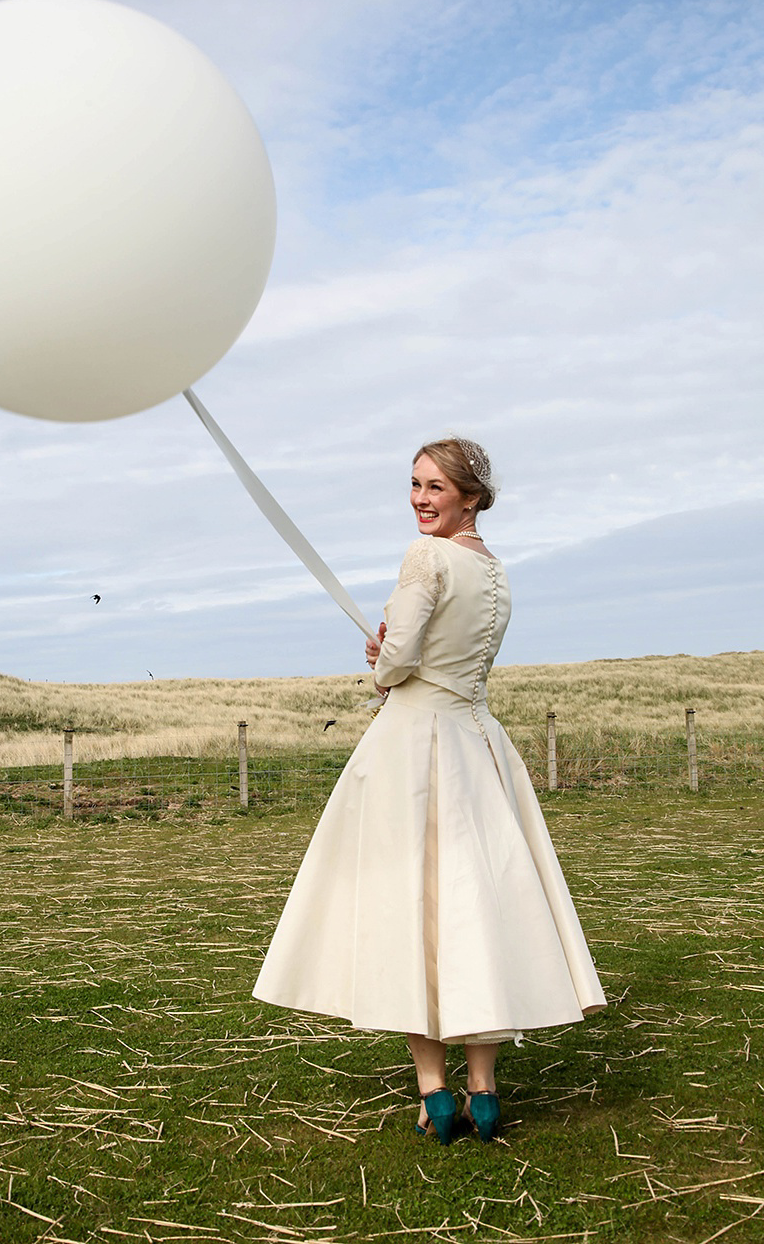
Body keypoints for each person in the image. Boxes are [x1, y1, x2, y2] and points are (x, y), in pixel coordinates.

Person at [253, 437, 605, 1144]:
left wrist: (380, 662)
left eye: (436, 488)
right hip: (477, 745)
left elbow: (400, 660)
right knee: (477, 907)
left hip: (414, 747)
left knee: (410, 911)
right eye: (414, 484)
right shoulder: (495, 572)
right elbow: (448, 654)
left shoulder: (424, 558)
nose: (420, 498)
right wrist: (395, 655)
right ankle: (485, 1088)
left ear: (471, 496)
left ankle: (434, 1091)